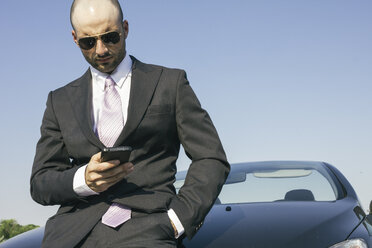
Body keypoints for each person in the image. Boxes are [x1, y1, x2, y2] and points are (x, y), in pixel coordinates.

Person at [30, 0, 230, 247]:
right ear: (74, 38)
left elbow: (211, 158)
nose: (101, 50)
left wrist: (178, 220)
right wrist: (83, 179)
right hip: (71, 236)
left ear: (125, 28)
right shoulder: (59, 101)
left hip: (149, 230)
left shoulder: (170, 83)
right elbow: (41, 182)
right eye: (88, 42)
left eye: (110, 37)